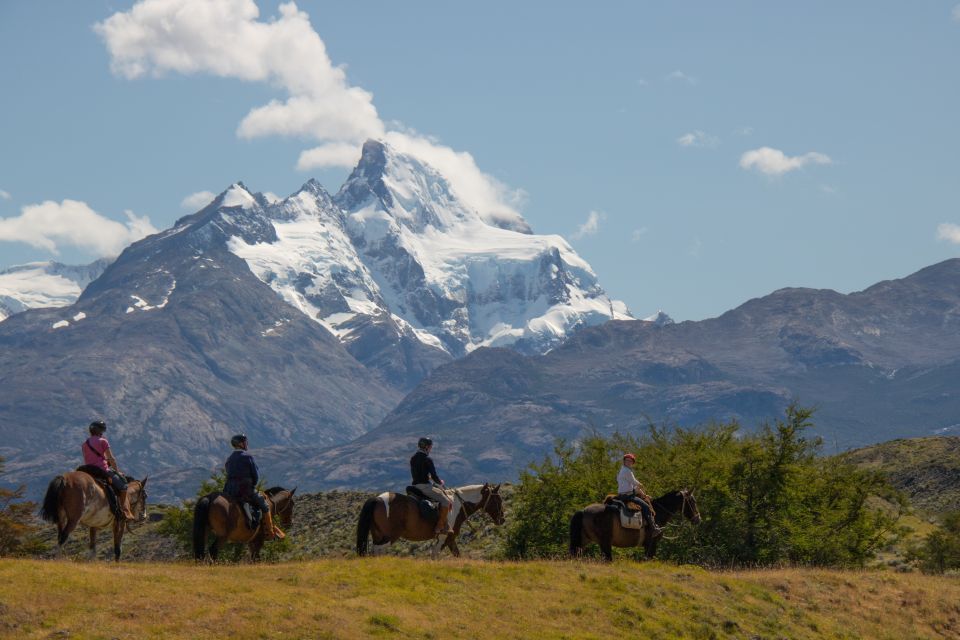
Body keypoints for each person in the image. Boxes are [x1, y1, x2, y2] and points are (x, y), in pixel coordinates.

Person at [223, 434, 284, 540]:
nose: (247, 444)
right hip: (245, 490)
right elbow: (255, 476)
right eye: (245, 442)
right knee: (265, 506)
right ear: (241, 444)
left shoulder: (229, 459)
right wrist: (253, 485)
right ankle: (271, 534)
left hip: (229, 490)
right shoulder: (248, 457)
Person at [81, 420, 135, 520]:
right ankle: (124, 510)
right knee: (123, 485)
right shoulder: (103, 441)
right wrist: (117, 472)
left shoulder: (85, 443)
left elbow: (88, 458)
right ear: (100, 431)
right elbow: (111, 459)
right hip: (102, 470)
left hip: (88, 470)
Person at [410, 437, 452, 535]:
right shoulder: (427, 459)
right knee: (446, 501)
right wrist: (440, 483)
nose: (431, 449)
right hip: (425, 487)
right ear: (427, 447)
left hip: (415, 486)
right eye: (430, 447)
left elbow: (417, 473)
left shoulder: (413, 458)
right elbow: (434, 476)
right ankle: (440, 525)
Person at [617, 453, 662, 537]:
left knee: (643, 500)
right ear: (624, 461)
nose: (629, 462)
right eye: (627, 460)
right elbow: (635, 483)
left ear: (632, 463)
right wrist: (641, 485)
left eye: (630, 461)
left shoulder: (624, 469)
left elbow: (634, 486)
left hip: (624, 494)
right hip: (628, 495)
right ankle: (653, 528)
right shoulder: (627, 471)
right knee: (646, 507)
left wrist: (644, 495)